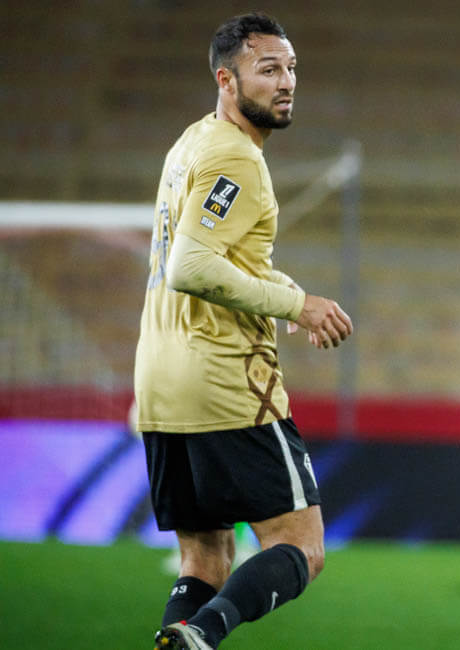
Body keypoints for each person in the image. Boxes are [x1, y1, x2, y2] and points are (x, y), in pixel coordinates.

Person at [135, 13, 352, 650]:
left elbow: (218, 258)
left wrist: (289, 295)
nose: (286, 82)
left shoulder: (192, 143)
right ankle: (203, 634)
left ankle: (181, 639)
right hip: (225, 380)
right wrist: (297, 305)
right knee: (302, 545)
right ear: (226, 80)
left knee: (205, 556)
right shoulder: (235, 157)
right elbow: (191, 266)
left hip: (160, 384)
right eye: (268, 69)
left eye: (291, 69)